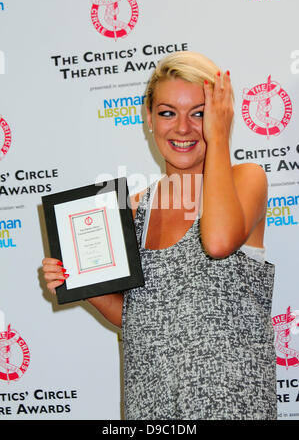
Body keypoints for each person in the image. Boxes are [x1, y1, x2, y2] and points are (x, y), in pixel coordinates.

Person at [42, 51, 277, 420]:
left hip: (233, 407)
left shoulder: (245, 180)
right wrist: (77, 281)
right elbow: (136, 317)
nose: (182, 128)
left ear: (220, 116)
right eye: (168, 112)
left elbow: (217, 243)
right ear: (149, 119)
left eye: (199, 113)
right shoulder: (134, 209)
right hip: (150, 407)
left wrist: (218, 140)